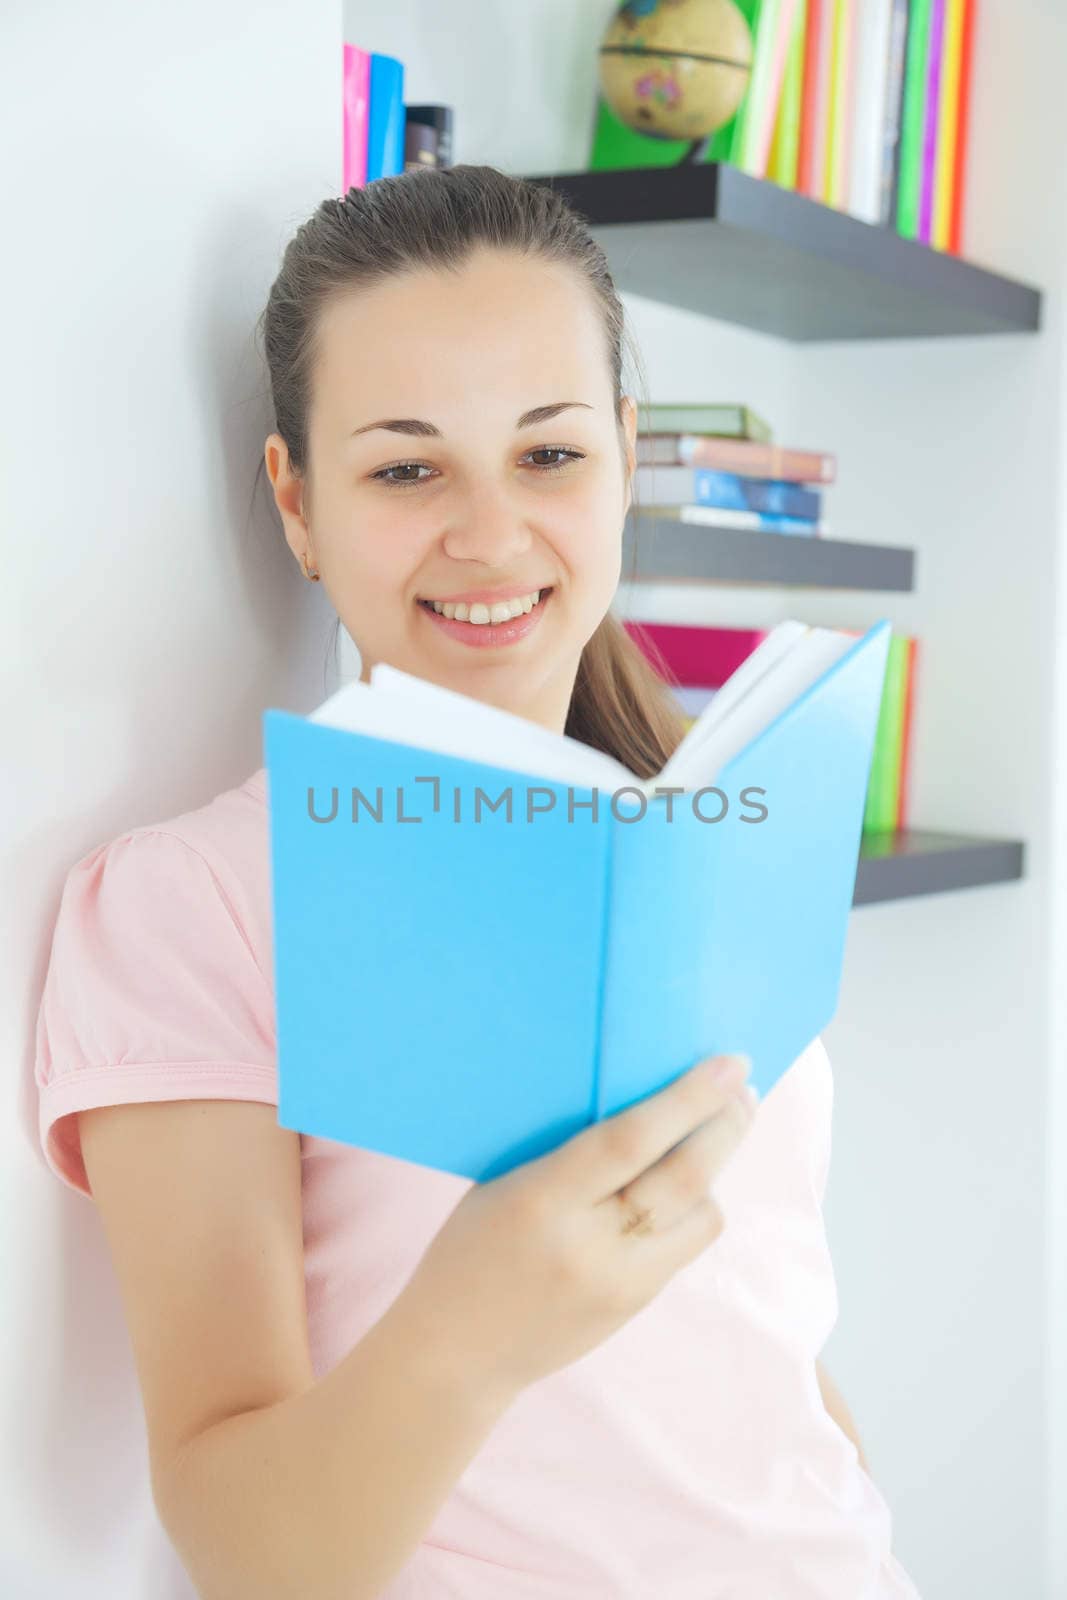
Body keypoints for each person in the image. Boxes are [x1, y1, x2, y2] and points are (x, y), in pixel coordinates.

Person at [34, 164, 921, 1599]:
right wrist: (479, 1319)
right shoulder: (196, 902)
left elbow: (761, 1327)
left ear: (626, 459)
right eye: (404, 467)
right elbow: (247, 1552)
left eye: (550, 454)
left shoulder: (698, 838)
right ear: (298, 501)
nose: (492, 534)